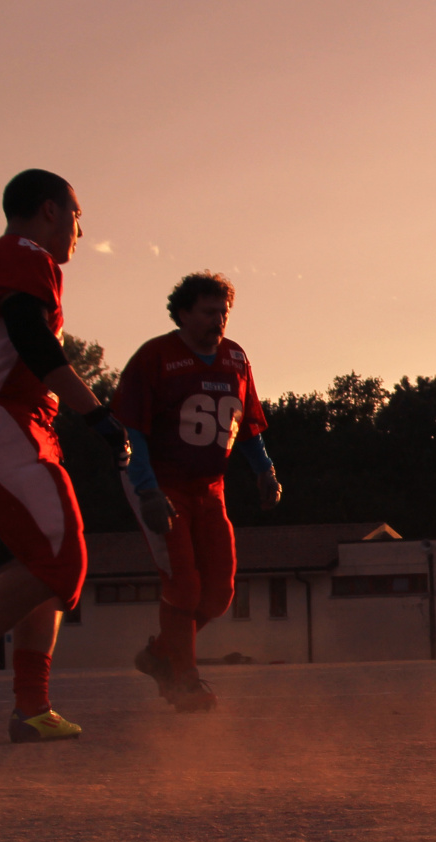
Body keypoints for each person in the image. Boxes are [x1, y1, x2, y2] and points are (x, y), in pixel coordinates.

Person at [0, 169, 130, 742]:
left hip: (9, 422)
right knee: (63, 558)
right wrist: (97, 414)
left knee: (46, 567)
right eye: (77, 215)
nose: (80, 231)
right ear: (49, 210)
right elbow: (34, 342)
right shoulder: (24, 254)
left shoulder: (0, 259)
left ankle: (31, 707)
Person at [111, 271, 281, 712]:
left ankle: (160, 654)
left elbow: (246, 427)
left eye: (223, 311)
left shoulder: (236, 359)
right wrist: (147, 489)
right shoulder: (156, 357)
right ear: (183, 313)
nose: (219, 320)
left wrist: (265, 470)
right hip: (161, 481)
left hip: (210, 486)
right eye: (208, 311)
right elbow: (132, 431)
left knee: (220, 592)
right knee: (183, 584)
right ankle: (184, 679)